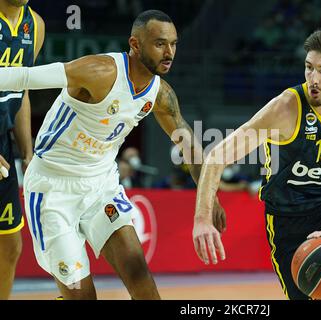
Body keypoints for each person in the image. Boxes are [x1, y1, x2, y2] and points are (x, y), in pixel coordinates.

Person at [0, 9, 225, 300]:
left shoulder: (160, 94)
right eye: (159, 44)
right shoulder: (99, 71)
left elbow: (190, 148)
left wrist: (210, 199)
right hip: (53, 189)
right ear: (135, 44)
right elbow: (23, 77)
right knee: (83, 297)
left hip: (101, 187)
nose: (169, 52)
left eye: (174, 43)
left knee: (142, 281)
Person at [193, 30, 321, 300]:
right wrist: (203, 217)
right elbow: (216, 156)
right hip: (290, 223)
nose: (313, 79)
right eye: (309, 68)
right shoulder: (285, 109)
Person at [0, 0, 45, 299]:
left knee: (10, 244)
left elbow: (23, 88)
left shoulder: (35, 25)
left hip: (4, 143)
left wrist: (28, 154)